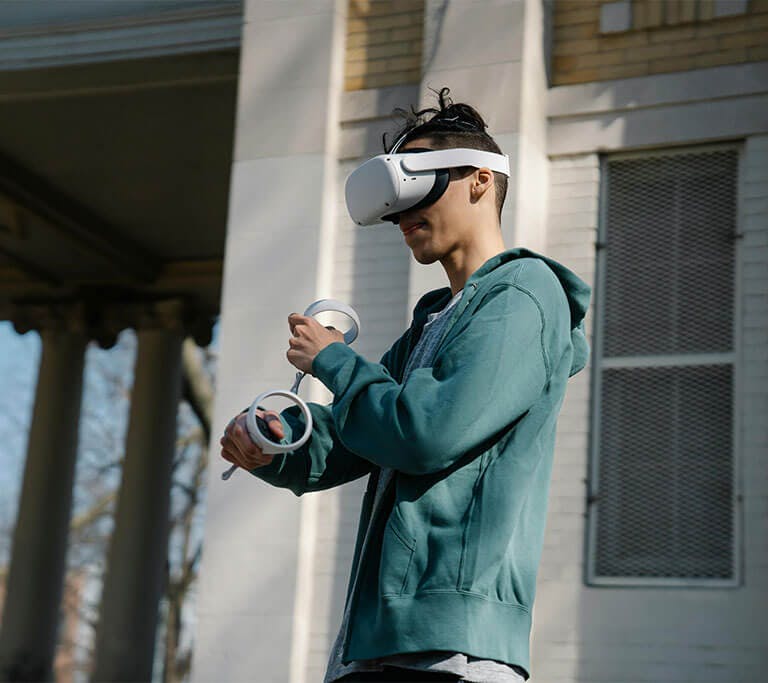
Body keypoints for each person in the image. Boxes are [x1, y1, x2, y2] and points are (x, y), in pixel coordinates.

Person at [219, 87, 591, 682]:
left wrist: (335, 362)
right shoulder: (434, 319)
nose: (399, 216)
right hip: (374, 643)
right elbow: (350, 439)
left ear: (478, 180)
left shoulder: (522, 294)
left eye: (419, 186)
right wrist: (271, 441)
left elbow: (424, 433)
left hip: (452, 653)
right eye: (394, 203)